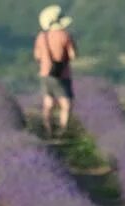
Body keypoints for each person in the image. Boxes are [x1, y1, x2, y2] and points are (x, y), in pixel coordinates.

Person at [34, 5, 77, 138]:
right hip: (61, 74)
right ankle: (63, 132)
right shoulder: (65, 36)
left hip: (45, 74)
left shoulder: (41, 36)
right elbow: (72, 55)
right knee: (66, 104)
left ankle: (48, 129)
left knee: (48, 102)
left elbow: (37, 56)